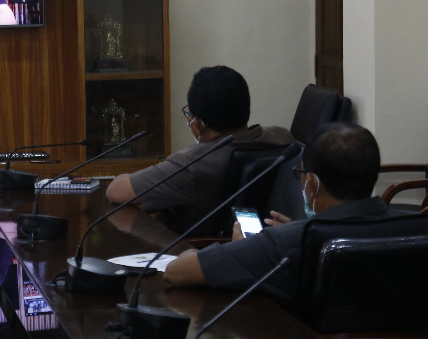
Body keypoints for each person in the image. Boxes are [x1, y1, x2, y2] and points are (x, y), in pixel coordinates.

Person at [164, 122, 403, 304]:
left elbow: (177, 271)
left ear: (311, 184)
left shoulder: (282, 243)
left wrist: (244, 248)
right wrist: (294, 228)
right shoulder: (412, 227)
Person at [106, 65, 295, 232]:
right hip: (263, 248)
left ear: (199, 125)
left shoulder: (191, 164)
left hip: (189, 253)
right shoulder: (283, 138)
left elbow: (116, 191)